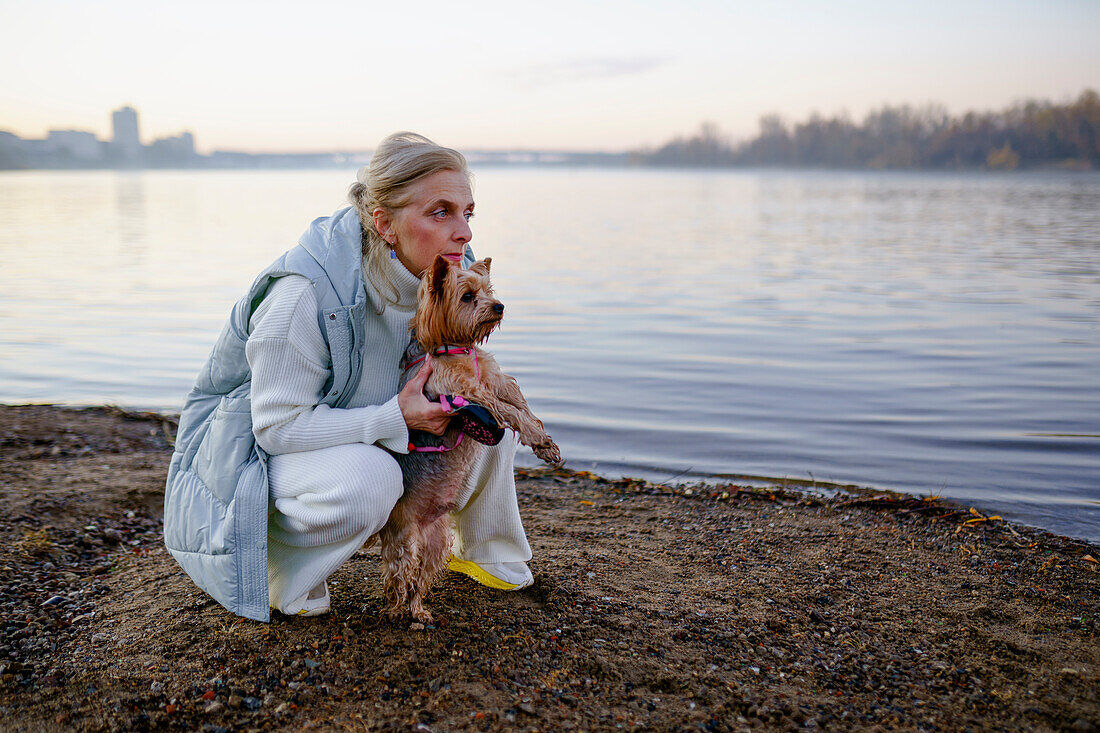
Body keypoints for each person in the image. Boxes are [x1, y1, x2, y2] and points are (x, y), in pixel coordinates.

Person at [164, 132, 534, 621]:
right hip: (250, 463)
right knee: (371, 481)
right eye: (440, 212)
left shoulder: (440, 278)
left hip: (356, 432)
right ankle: (281, 565)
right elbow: (274, 429)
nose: (463, 232)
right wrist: (392, 417)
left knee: (485, 409)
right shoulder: (304, 294)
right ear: (384, 223)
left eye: (468, 212)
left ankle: (485, 548)